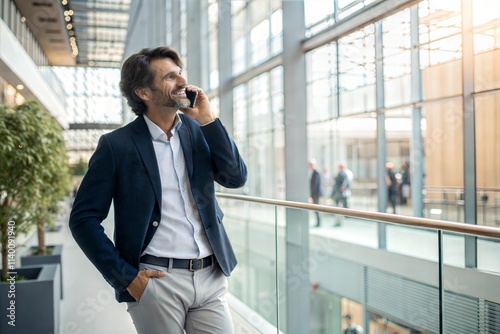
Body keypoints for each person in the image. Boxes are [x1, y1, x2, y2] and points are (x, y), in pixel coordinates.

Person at [69, 46, 247, 334]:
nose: (182, 83)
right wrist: (126, 278)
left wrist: (209, 119)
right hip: (158, 281)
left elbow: (236, 178)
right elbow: (83, 219)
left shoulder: (198, 130)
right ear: (144, 93)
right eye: (169, 77)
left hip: (211, 275)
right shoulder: (117, 146)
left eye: (180, 74)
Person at [309, 159, 323, 227]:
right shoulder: (314, 172)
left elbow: (315, 185)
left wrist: (312, 195)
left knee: (316, 208)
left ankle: (319, 222)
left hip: (316, 194)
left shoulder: (316, 172)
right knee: (316, 208)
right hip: (315, 194)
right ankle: (318, 222)